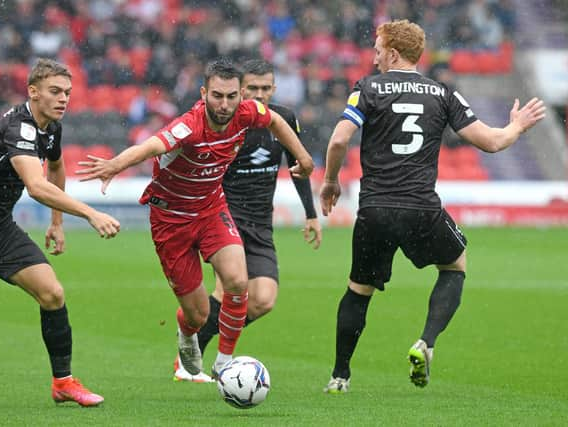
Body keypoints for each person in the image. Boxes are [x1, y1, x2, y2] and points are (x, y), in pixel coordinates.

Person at [319, 20, 545, 393]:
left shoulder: (368, 88)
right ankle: (426, 341)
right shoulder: (443, 93)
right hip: (421, 208)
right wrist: (517, 126)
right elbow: (490, 141)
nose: (374, 59)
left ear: (392, 53)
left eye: (377, 51)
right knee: (455, 265)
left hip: (375, 209)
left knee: (359, 289)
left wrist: (330, 180)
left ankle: (340, 376)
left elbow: (340, 139)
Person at [77, 58, 314, 381]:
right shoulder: (188, 126)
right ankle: (186, 332)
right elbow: (150, 146)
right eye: (218, 95)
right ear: (204, 93)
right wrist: (114, 165)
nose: (225, 104)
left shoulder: (246, 112)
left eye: (232, 96)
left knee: (237, 282)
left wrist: (303, 157)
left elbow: (275, 121)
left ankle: (224, 364)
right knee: (198, 314)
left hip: (211, 209)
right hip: (171, 220)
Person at [0, 58, 121, 406]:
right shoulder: (18, 127)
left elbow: (57, 168)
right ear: (33, 91)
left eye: (67, 92)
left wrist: (57, 223)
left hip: (0, 230)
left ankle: (63, 383)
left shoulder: (51, 127)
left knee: (52, 294)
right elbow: (35, 185)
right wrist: (90, 214)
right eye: (55, 91)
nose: (63, 98)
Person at [172, 59, 322, 382]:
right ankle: (195, 361)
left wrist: (310, 213)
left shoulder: (283, 119)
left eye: (265, 88)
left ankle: (193, 344)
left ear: (274, 89)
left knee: (263, 300)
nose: (259, 94)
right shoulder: (230, 122)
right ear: (241, 91)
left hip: (260, 222)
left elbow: (297, 167)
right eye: (252, 88)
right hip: (224, 216)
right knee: (227, 291)